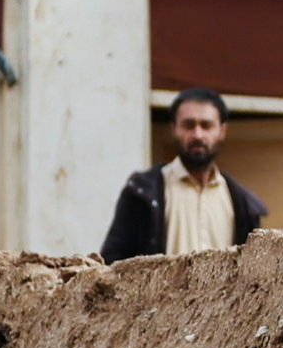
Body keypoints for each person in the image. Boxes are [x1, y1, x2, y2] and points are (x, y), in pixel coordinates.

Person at [99, 88, 269, 260]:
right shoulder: (142, 192)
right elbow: (113, 262)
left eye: (206, 125)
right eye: (189, 125)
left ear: (222, 131)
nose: (197, 134)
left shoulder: (242, 203)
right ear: (174, 129)